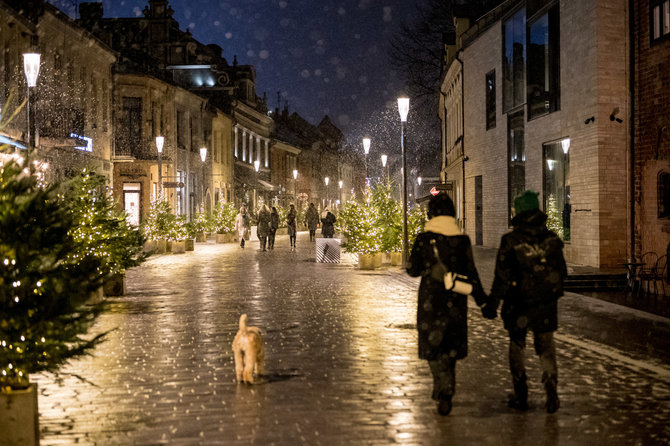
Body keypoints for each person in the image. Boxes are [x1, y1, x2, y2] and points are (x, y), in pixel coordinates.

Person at [406, 193, 494, 416]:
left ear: (431, 213)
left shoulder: (424, 239)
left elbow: (412, 270)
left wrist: (427, 268)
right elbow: (471, 275)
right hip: (455, 300)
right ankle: (448, 386)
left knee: (432, 345)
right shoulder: (461, 240)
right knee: (450, 346)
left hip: (430, 300)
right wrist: (484, 303)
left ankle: (440, 382)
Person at [489, 190, 567, 414]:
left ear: (519, 212)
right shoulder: (552, 239)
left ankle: (521, 393)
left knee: (517, 346)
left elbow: (501, 277)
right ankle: (551, 391)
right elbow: (562, 273)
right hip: (545, 304)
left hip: (518, 303)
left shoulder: (510, 241)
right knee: (546, 348)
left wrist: (493, 304)